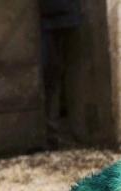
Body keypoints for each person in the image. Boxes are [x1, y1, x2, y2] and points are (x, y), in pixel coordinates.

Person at [39, 0, 83, 149]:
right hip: (56, 15)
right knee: (52, 73)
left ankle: (51, 132)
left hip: (55, 15)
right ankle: (51, 131)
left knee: (52, 74)